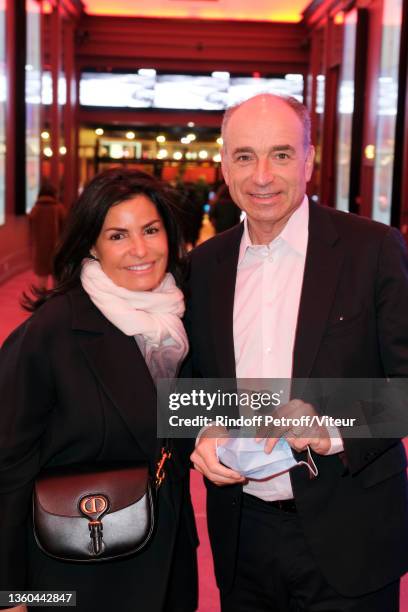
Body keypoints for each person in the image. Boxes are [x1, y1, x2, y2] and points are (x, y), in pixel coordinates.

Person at [185, 94, 408, 611]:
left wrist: (331, 428)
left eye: (281, 155)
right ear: (224, 164)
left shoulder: (372, 250)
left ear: (309, 160)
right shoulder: (204, 266)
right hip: (243, 535)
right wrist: (203, 428)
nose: (262, 175)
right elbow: (196, 386)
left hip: (351, 531)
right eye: (244, 156)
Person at [0, 168, 198, 612]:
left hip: (164, 551)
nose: (140, 250)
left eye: (150, 230)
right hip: (76, 563)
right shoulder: (54, 330)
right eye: (117, 236)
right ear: (92, 244)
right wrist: (9, 592)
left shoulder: (177, 319)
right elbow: (6, 461)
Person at [28, 181, 66, 289]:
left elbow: (31, 232)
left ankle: (43, 304)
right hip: (57, 250)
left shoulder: (35, 210)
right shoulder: (59, 208)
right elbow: (66, 229)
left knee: (41, 285)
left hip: (40, 252)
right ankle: (55, 304)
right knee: (57, 285)